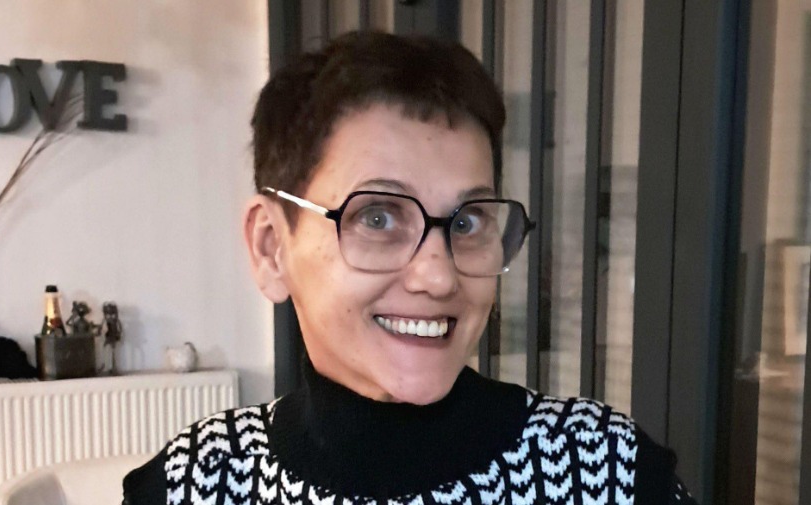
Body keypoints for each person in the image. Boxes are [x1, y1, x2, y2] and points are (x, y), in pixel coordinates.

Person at [123, 31, 697, 505]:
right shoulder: (194, 485)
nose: (439, 277)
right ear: (272, 247)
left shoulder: (605, 472)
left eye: (468, 221)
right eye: (376, 217)